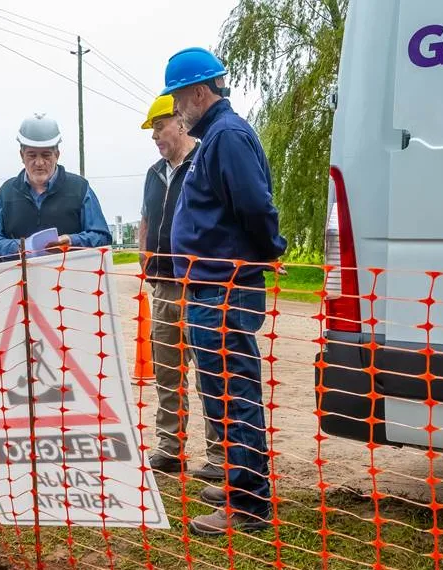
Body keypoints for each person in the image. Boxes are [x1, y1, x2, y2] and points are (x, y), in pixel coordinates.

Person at [161, 47, 288, 535]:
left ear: (199, 92)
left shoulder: (227, 137)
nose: (176, 109)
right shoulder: (212, 138)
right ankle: (241, 482)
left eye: (178, 99)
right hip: (208, 289)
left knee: (234, 393)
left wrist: (266, 251)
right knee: (221, 391)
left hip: (223, 289)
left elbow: (255, 207)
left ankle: (249, 503)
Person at [138, 95, 224, 482]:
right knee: (167, 374)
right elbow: (145, 218)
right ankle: (170, 449)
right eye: (153, 129)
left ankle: (221, 456)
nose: (155, 136)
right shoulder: (154, 173)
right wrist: (143, 256)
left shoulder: (203, 163)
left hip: (197, 286)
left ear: (180, 122)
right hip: (161, 286)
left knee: (209, 372)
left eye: (159, 126)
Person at [0, 113, 111, 260]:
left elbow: (102, 237)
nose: (39, 162)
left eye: (46, 155)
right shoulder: (6, 193)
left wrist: (72, 241)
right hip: (20, 281)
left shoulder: (80, 189)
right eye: (31, 155)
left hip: (70, 279)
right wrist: (22, 247)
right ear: (21, 155)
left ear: (57, 155)